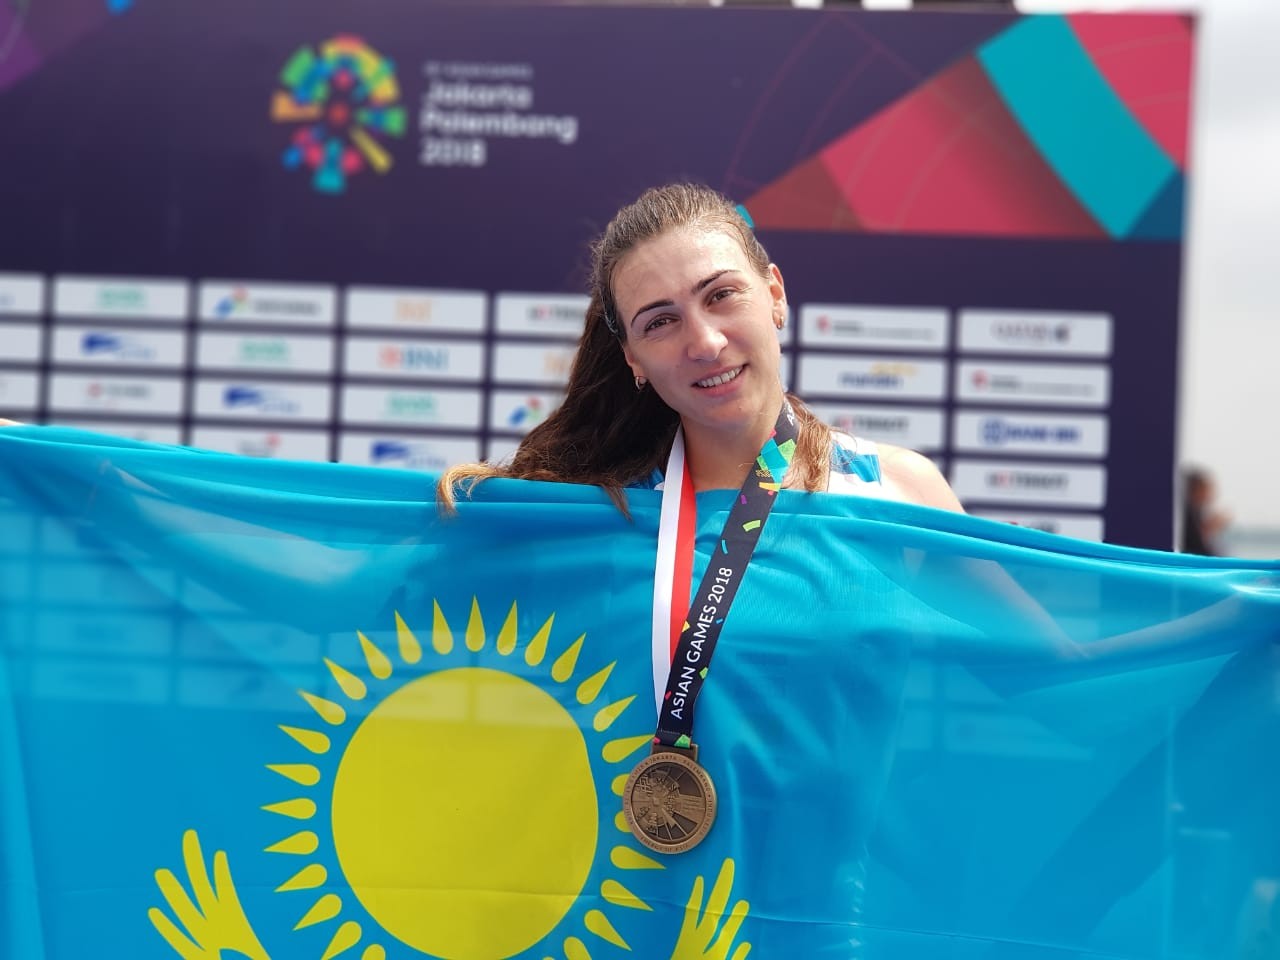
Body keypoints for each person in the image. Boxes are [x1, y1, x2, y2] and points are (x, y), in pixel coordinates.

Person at [440, 182, 962, 512]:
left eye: (721, 295)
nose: (706, 343)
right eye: (661, 322)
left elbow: (1008, 649)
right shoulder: (584, 518)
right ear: (633, 358)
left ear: (775, 295)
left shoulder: (899, 490)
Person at [1180, 466, 1230, 556]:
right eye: (1206, 490)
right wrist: (1210, 527)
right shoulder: (1186, 514)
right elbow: (1197, 548)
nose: (1210, 496)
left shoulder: (1197, 513)